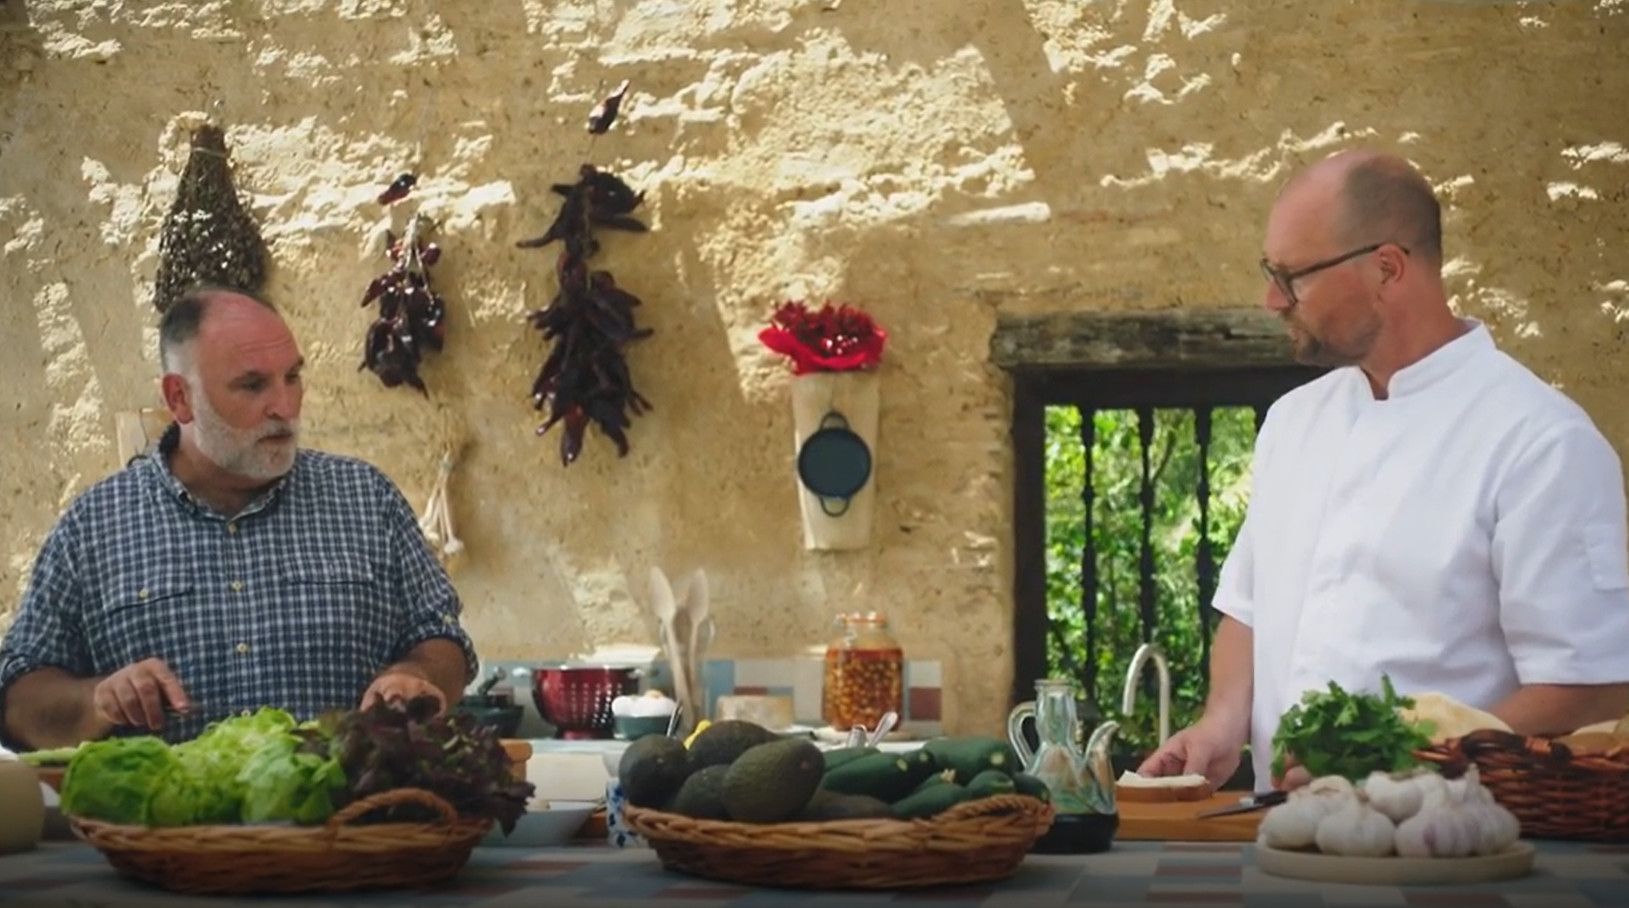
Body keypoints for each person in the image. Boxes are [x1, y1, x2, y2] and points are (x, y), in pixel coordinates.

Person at [1137, 150, 1629, 791]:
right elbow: (1248, 608)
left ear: (1387, 269)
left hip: (1449, 852)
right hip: (1279, 836)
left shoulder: (1540, 441)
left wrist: (1392, 756)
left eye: (1291, 277)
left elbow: (1589, 687)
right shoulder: (1292, 422)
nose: (1270, 300)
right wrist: (1221, 723)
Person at [0, 286, 477, 749]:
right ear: (178, 399)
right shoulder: (94, 526)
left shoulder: (365, 498)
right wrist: (98, 699)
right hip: (163, 828)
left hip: (348, 825)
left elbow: (440, 637)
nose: (285, 407)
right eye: (253, 384)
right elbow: (17, 702)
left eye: (292, 377)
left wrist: (415, 675)